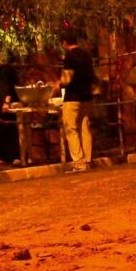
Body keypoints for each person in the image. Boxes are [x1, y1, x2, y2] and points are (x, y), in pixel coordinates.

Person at [60, 31, 95, 172]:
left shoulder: (69, 56)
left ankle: (79, 162)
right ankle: (88, 160)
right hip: (86, 96)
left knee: (71, 129)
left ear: (65, 43)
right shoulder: (86, 55)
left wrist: (58, 84)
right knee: (85, 128)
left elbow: (67, 78)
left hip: (73, 96)